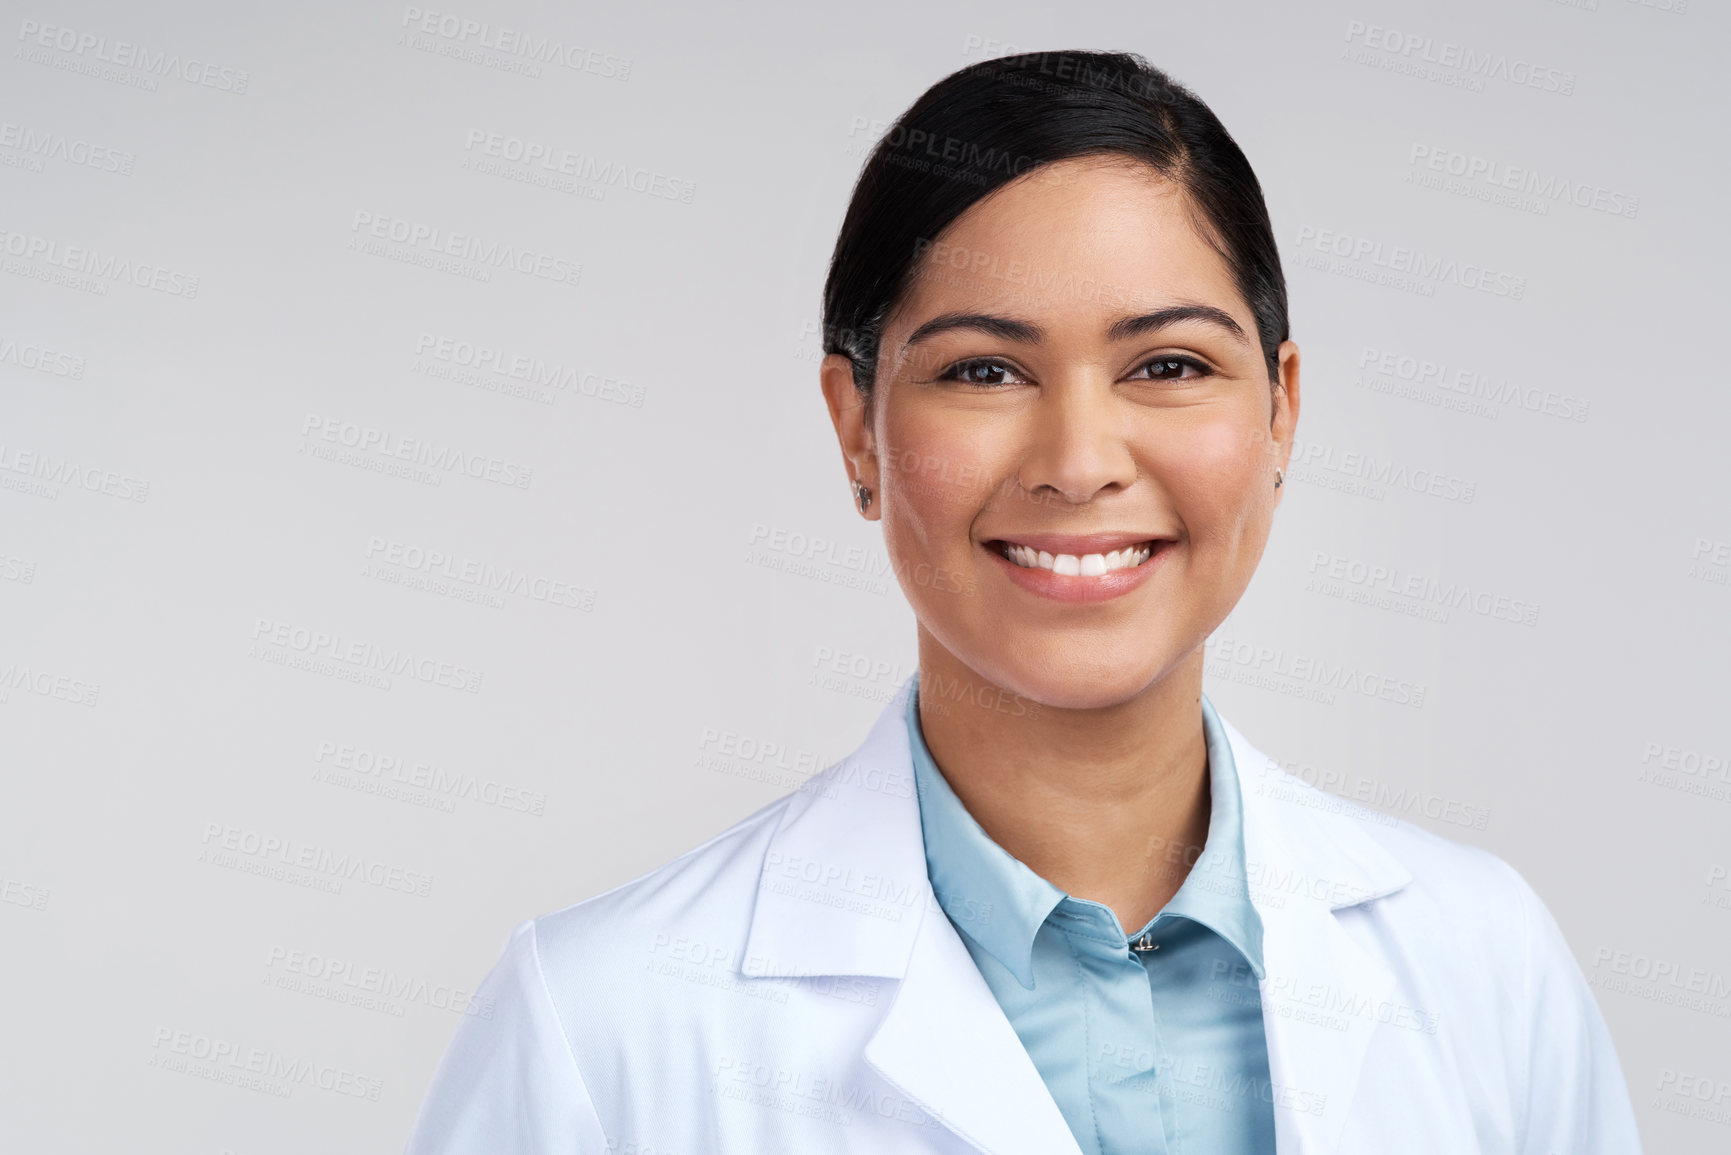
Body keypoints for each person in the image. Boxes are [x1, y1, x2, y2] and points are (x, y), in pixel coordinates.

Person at [403, 50, 1641, 1154]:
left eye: (1167, 365)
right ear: (857, 431)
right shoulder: (604, 1027)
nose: (1079, 459)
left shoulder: (1484, 965)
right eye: (984, 369)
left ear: (1282, 410)